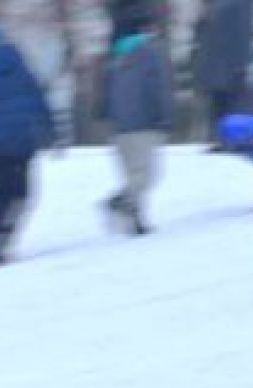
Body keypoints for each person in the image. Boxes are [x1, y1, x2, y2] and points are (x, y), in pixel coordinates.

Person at [0, 26, 57, 266]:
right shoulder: (22, 68)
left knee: (2, 192)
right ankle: (3, 235)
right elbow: (39, 100)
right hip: (22, 140)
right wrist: (51, 131)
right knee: (22, 192)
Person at [98, 17, 173, 236]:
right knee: (147, 176)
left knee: (132, 174)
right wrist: (163, 117)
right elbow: (157, 87)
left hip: (120, 126)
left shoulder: (114, 57)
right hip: (144, 123)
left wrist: (107, 117)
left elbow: (104, 91)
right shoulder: (149, 53)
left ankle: (136, 222)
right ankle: (120, 201)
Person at [193, 0, 253, 151]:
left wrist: (241, 64)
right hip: (215, 67)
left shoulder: (237, 5)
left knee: (229, 105)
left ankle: (229, 140)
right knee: (217, 105)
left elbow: (243, 32)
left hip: (228, 67)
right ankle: (220, 139)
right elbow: (203, 37)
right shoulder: (214, 7)